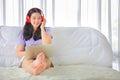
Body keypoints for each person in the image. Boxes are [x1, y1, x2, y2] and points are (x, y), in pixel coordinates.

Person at [16, 8, 53, 75]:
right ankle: (35, 69)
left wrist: (42, 28)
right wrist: (29, 53)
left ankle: (38, 64)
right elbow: (18, 53)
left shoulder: (47, 30)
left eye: (39, 18)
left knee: (45, 60)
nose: (37, 20)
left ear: (42, 19)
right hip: (28, 57)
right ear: (28, 19)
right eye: (34, 18)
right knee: (27, 62)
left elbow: (47, 44)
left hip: (43, 57)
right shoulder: (23, 33)